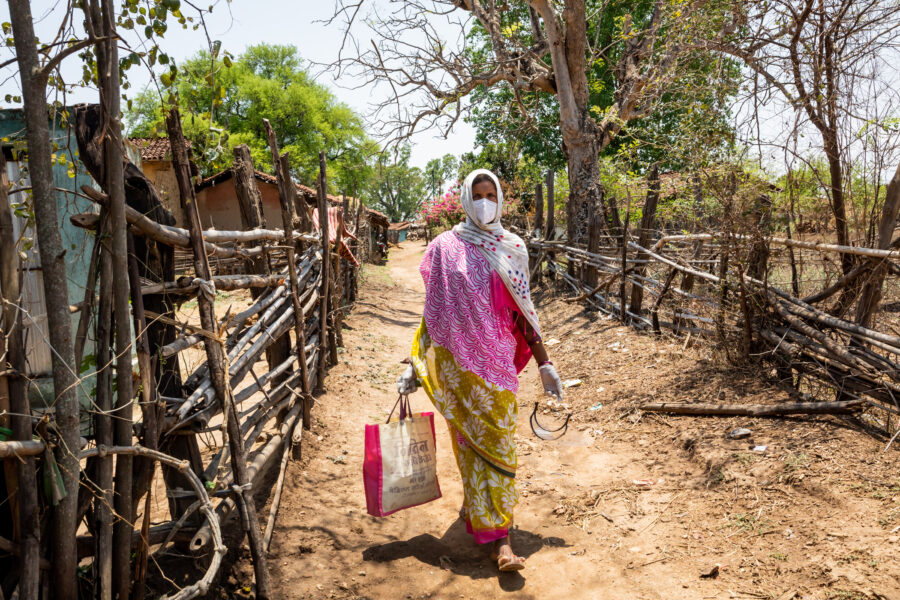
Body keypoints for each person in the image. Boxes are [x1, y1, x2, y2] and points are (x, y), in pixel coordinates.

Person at [397, 169, 563, 572]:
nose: (486, 202)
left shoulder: (512, 247)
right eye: (479, 195)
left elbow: (523, 313)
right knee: (470, 451)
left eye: (492, 194)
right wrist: (416, 365)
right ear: (467, 200)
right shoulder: (443, 248)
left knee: (501, 448)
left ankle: (493, 523)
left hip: (498, 370)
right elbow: (435, 313)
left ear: (499, 198)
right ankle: (499, 541)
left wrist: (545, 363)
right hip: (458, 371)